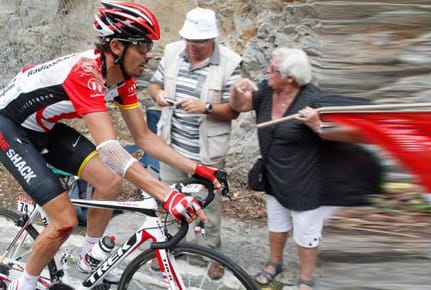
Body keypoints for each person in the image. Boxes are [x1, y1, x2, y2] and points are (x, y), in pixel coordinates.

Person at [0, 2, 222, 290]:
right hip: (9, 126)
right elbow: (110, 149)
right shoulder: (85, 73)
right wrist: (167, 194)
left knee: (110, 179)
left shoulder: (122, 79)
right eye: (143, 45)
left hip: (43, 128)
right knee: (64, 221)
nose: (149, 53)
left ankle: (89, 257)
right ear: (117, 46)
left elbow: (144, 137)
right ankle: (24, 284)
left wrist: (198, 168)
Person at [230, 48, 337, 290]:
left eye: (273, 70)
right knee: (277, 224)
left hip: (305, 179)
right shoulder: (268, 90)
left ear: (289, 77)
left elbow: (340, 138)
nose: (267, 72)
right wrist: (236, 91)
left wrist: (317, 125)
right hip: (273, 174)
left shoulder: (315, 100)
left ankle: (306, 278)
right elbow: (240, 106)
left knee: (306, 232)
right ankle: (274, 263)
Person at [149, 7, 242, 280]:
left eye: (199, 42)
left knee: (208, 205)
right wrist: (159, 95)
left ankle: (210, 253)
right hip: (172, 146)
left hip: (206, 152)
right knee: (169, 201)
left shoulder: (230, 62)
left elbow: (235, 111)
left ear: (212, 39)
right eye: (190, 40)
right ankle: (171, 247)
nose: (193, 46)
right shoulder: (172, 52)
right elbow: (153, 85)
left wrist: (206, 107)